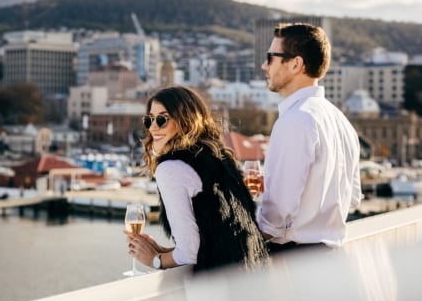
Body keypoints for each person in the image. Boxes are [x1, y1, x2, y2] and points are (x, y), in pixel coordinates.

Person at [125, 85, 268, 273]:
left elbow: (190, 253)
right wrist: (164, 250)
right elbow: (219, 237)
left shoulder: (170, 169)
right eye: (149, 119)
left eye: (162, 119)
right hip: (255, 276)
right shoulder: (220, 157)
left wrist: (154, 260)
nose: (152, 128)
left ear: (185, 121)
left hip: (220, 286)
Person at [258, 22, 362, 253]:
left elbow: (276, 213)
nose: (264, 65)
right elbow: (353, 199)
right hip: (331, 257)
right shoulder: (341, 121)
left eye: (271, 57)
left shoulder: (296, 120)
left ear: (296, 64)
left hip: (294, 259)